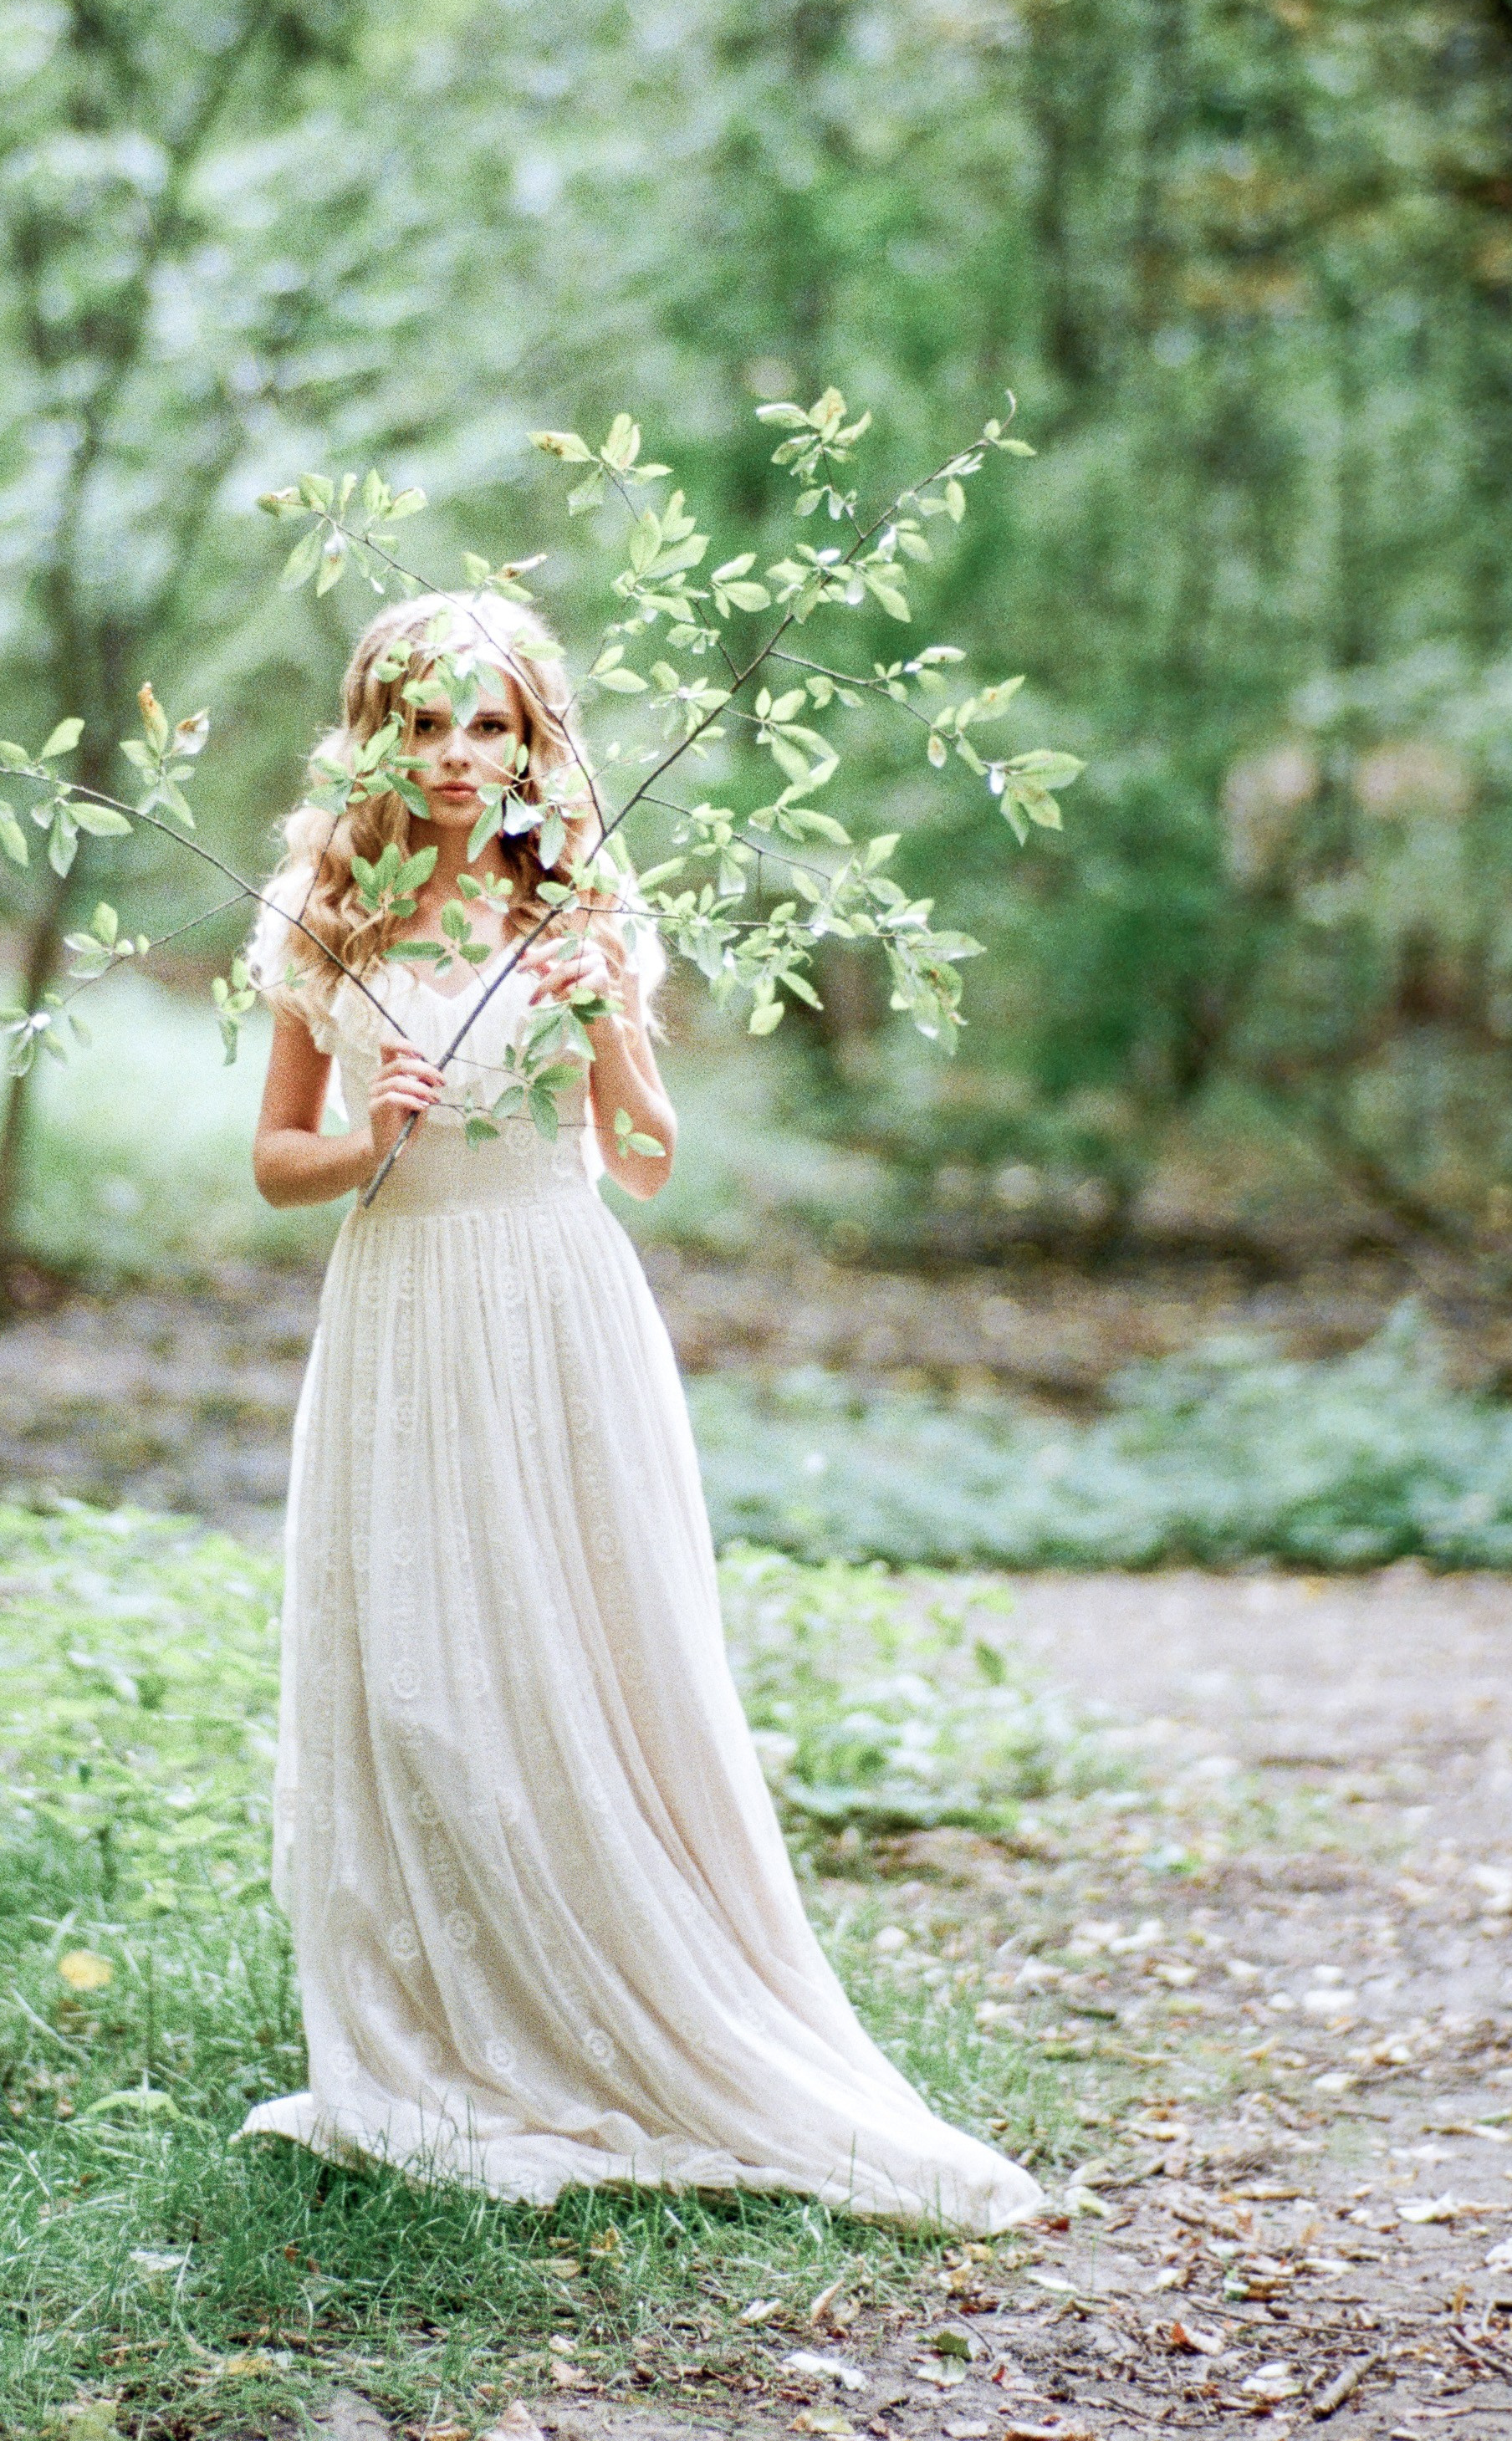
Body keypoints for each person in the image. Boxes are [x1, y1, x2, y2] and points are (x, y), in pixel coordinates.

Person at [232, 587, 1041, 2230]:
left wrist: (615, 1031)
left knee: (585, 1652)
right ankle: (445, 2036)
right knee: (414, 1681)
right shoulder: (327, 918)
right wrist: (374, 1131)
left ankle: (627, 2003)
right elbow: (273, 1167)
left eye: (493, 725)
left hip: (553, 1305)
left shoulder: (583, 915)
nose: (460, 757)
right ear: (377, 733)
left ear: (536, 744)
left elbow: (651, 1161)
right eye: (428, 723)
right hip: (401, 1308)